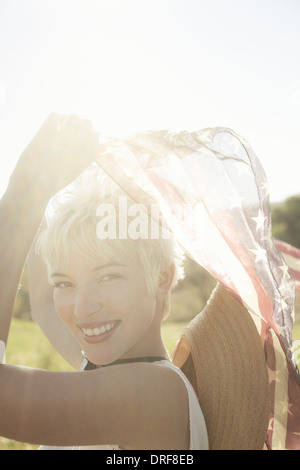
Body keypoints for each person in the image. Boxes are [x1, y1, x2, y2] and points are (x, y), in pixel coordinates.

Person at [0, 113, 209, 450]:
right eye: (65, 284)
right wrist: (44, 189)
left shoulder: (152, 395)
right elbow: (41, 301)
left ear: (162, 277)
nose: (82, 309)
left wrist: (20, 196)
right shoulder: (100, 366)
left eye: (108, 276)